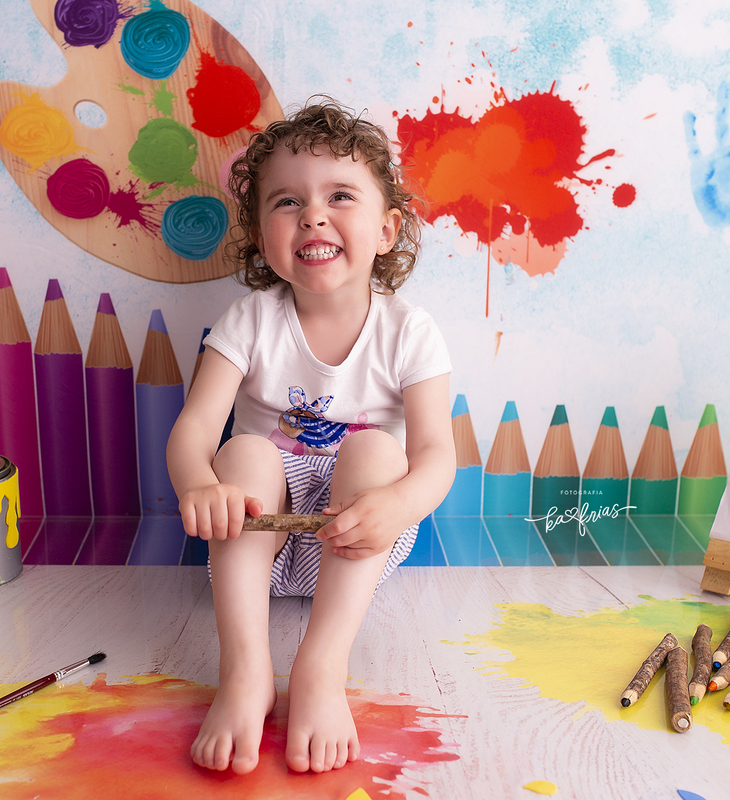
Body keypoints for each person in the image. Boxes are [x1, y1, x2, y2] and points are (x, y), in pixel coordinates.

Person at [166, 98, 455, 775]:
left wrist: (402, 502)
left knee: (379, 450)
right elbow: (195, 429)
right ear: (264, 235)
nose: (313, 215)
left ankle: (321, 669)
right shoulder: (250, 320)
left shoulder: (409, 331)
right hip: (255, 538)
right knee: (241, 450)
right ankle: (245, 671)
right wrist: (199, 484)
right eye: (287, 202)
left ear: (386, 230)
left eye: (340, 196)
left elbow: (438, 453)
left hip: (357, 536)